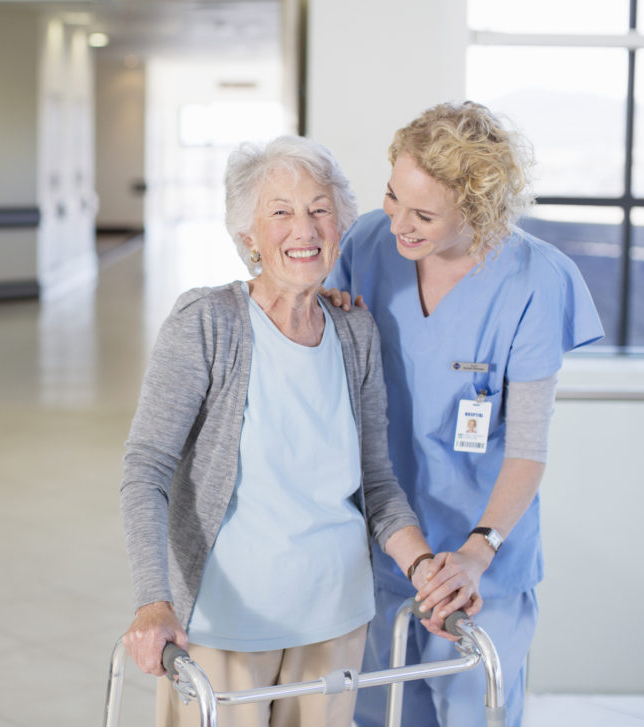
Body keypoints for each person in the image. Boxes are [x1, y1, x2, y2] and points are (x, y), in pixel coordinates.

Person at [120, 135, 437, 727]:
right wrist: (152, 601)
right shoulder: (207, 323)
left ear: (340, 225)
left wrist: (424, 567)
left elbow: (376, 482)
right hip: (225, 625)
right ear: (248, 236)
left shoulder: (354, 329)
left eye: (320, 210)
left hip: (335, 620)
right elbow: (146, 469)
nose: (305, 229)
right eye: (281, 212)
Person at [323, 101, 604, 727]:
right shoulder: (367, 243)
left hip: (482, 563)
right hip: (384, 545)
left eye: (424, 214)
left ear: (478, 210)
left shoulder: (535, 279)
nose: (399, 223)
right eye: (393, 196)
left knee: (472, 713)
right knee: (379, 715)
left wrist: (478, 553)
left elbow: (528, 443)